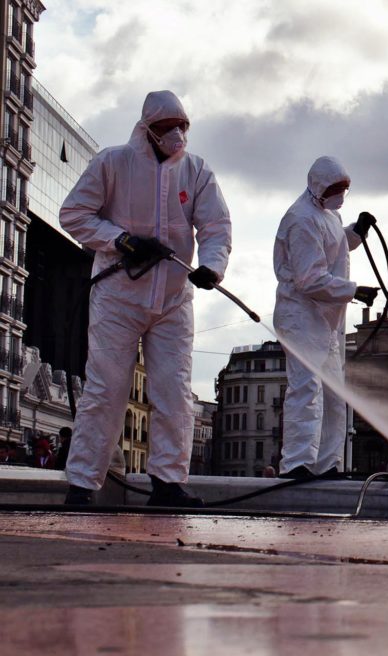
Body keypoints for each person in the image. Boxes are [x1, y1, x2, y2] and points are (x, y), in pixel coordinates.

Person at [60, 90, 231, 506]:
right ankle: (82, 484)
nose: (175, 134)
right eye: (166, 127)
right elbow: (74, 215)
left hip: (173, 299)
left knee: (174, 389)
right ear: (147, 129)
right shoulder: (112, 162)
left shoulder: (196, 171)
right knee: (107, 389)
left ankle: (168, 483)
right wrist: (120, 241)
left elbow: (215, 226)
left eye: (182, 126)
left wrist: (212, 265)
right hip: (118, 295)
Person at [273, 156, 377, 480]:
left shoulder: (328, 214)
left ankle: (326, 463)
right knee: (306, 389)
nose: (341, 194)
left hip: (325, 321)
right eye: (335, 188)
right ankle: (297, 464)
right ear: (319, 186)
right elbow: (310, 279)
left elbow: (334, 245)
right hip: (301, 316)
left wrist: (356, 232)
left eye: (345, 188)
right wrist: (354, 291)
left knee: (334, 395)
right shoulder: (301, 219)